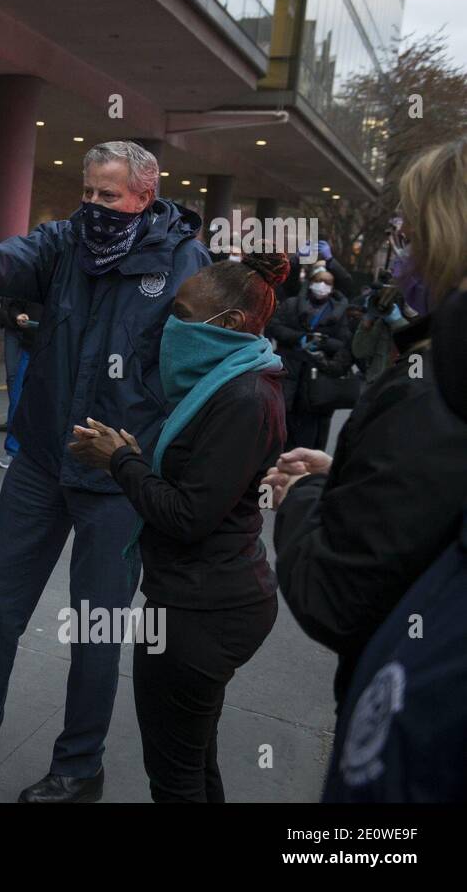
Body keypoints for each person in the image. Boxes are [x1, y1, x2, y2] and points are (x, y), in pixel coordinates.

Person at [0, 140, 209, 802]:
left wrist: (147, 453)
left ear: (145, 196)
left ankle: (79, 766)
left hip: (117, 478)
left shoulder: (183, 264)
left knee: (95, 627)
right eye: (87, 192)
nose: (92, 206)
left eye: (109, 196)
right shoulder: (69, 241)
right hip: (43, 457)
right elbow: (16, 257)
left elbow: (199, 370)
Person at [68, 251, 289, 801]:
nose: (171, 325)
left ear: (231, 325)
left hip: (205, 610)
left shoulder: (244, 396)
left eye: (184, 314)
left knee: (174, 777)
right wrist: (136, 459)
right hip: (202, 597)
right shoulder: (229, 379)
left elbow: (188, 516)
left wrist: (122, 462)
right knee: (193, 760)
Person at [265, 137, 467, 708]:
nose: (398, 251)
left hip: (411, 703)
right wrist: (351, 478)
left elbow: (334, 595)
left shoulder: (433, 389)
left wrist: (305, 495)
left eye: (406, 234)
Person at [267, 263, 353, 451]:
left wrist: (322, 342)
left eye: (327, 283)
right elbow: (275, 327)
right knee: (282, 424)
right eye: (319, 281)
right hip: (290, 370)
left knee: (311, 433)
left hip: (317, 378)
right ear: (310, 283)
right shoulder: (291, 305)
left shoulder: (337, 313)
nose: (322, 286)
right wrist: (300, 338)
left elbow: (344, 343)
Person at [0, 296, 40, 469]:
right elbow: (15, 305)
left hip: (57, 350)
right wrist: (18, 315)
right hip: (30, 346)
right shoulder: (37, 276)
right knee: (18, 397)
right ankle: (12, 451)